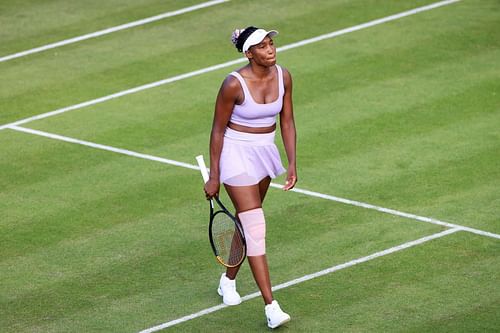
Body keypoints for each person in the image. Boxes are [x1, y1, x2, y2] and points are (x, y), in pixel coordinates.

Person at [203, 26, 297, 329]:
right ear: (249, 53)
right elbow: (218, 130)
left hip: (264, 154)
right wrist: (214, 176)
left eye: (271, 44)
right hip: (235, 155)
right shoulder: (233, 84)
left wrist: (292, 163)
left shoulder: (284, 76)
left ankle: (227, 281)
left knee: (246, 227)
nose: (270, 49)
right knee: (256, 227)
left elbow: (287, 120)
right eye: (262, 46)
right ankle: (271, 306)